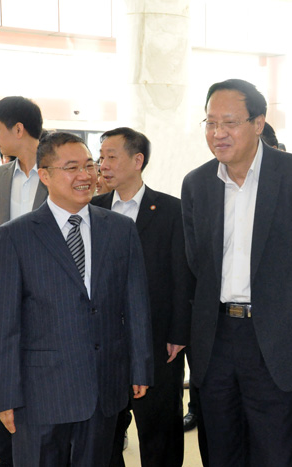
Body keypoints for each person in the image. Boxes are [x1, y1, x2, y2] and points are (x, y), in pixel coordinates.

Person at [181, 78, 292, 465]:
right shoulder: (197, 183)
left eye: (229, 122)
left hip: (279, 336)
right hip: (217, 338)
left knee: (278, 449)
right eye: (210, 123)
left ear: (258, 123)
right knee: (221, 448)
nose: (218, 133)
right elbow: (195, 262)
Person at [0, 132, 154, 466]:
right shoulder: (14, 236)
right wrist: (5, 395)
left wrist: (140, 367)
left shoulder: (119, 229)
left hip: (103, 388)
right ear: (45, 175)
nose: (85, 175)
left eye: (90, 165)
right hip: (39, 395)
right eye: (72, 167)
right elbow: (3, 325)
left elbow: (136, 305)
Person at [92, 127, 194, 467]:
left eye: (111, 156)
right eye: (101, 157)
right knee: (105, 430)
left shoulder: (171, 210)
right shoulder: (92, 209)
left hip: (156, 339)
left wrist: (178, 333)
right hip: (104, 340)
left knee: (159, 427)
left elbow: (182, 277)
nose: (103, 165)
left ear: (138, 161)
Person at [0, 96, 48, 466]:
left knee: (41, 382)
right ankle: (9, 452)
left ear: (19, 129)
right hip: (3, 297)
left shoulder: (57, 171)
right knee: (2, 379)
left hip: (48, 300)